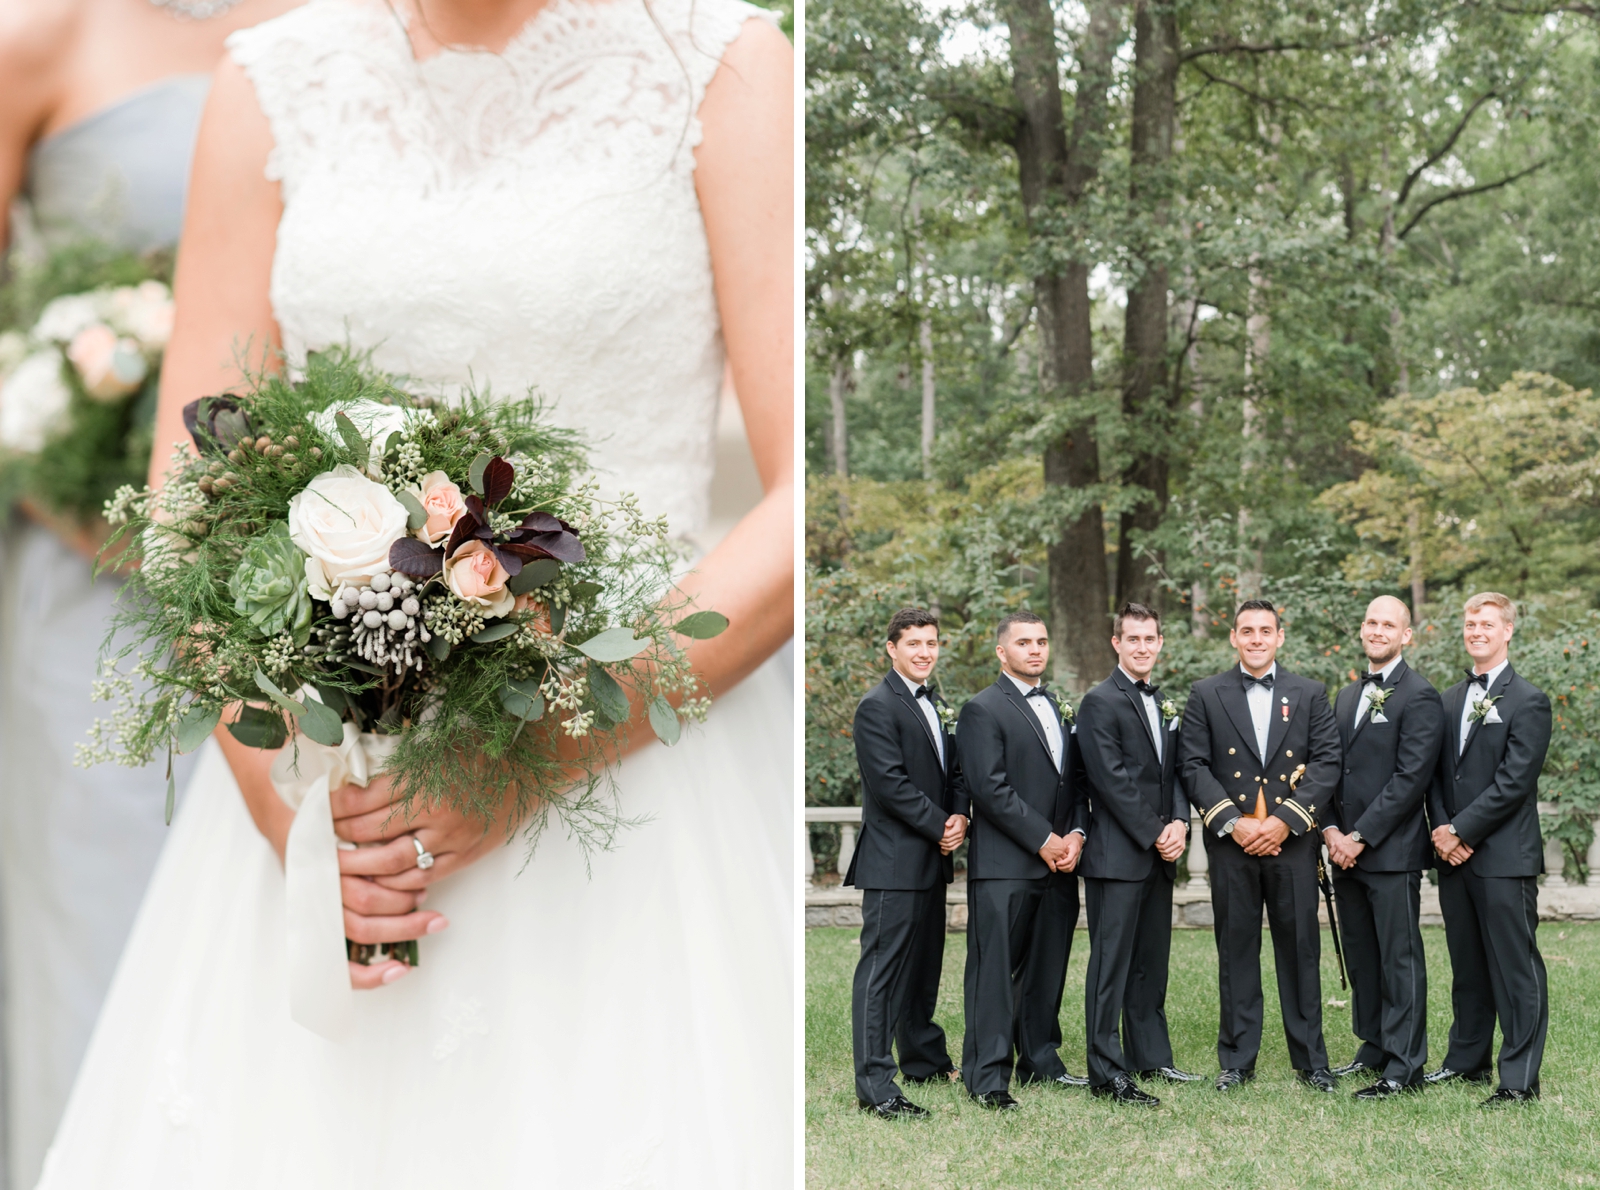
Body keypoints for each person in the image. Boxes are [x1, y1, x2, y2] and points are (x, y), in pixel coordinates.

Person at [37, 1, 794, 1185]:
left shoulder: (726, 64)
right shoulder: (270, 82)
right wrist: (280, 796)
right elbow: (187, 489)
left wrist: (545, 748)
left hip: (634, 738)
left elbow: (807, 501)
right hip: (330, 758)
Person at [0, 4, 299, 1184]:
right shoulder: (42, 32)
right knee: (107, 952)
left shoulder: (381, 25)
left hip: (325, 596)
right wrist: (82, 481)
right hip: (100, 600)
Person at [1178, 598, 1341, 1093]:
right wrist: (1234, 822)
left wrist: (1286, 821)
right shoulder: (1205, 693)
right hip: (1233, 843)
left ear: (1279, 636)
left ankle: (1312, 1062)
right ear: (1233, 637)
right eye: (1246, 630)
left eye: (1264, 630)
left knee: (1300, 951)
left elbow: (1328, 761)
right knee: (1236, 950)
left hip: (1291, 843)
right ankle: (1237, 1060)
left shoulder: (1310, 693)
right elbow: (1193, 765)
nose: (1255, 638)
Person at [956, 610, 1088, 1110]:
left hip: (1059, 867)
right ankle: (987, 1077)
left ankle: (1040, 1060)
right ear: (1001, 652)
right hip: (1005, 866)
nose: (1035, 649)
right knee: (994, 973)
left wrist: (1074, 834)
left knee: (1046, 968)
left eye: (1041, 641)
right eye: (1024, 642)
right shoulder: (982, 710)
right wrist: (1044, 840)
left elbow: (1073, 782)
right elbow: (990, 789)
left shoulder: (1056, 706)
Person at [1425, 592, 1551, 1107]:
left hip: (1503, 858)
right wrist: (1441, 829)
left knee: (1514, 966)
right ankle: (1466, 1061)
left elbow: (1514, 781)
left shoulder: (1529, 700)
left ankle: (1519, 1079)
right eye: (1470, 623)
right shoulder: (1449, 698)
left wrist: (1462, 831)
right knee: (1468, 965)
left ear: (1508, 631)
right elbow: (1434, 776)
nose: (1476, 630)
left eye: (1486, 623)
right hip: (1454, 859)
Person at [846, 607, 968, 1119]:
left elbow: (955, 770)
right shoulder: (876, 707)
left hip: (931, 859)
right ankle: (876, 1086)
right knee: (882, 972)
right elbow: (891, 785)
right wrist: (942, 824)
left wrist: (960, 813)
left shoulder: (935, 703)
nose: (924, 652)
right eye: (914, 643)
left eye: (932, 643)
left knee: (923, 968)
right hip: (894, 861)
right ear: (891, 648)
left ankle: (923, 1058)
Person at [1075, 602, 1198, 1107]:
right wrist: (1156, 831)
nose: (1143, 647)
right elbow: (1111, 781)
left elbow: (1174, 774)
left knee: (1151, 961)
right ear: (1117, 644)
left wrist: (1179, 823)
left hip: (1157, 854)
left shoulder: (1162, 700)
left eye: (1150, 639)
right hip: (1116, 855)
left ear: (1159, 643)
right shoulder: (1099, 702)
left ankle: (1151, 1056)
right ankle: (1107, 1072)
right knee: (1111, 965)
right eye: (1133, 639)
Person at [1322, 595, 1444, 1098]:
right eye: (1371, 622)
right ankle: (1372, 1045)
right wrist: (1329, 830)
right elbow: (1329, 768)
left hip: (1389, 852)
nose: (1377, 630)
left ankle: (1404, 1064)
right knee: (1363, 954)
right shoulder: (1348, 696)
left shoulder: (1420, 695)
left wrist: (1359, 836)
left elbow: (1410, 779)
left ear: (1406, 635)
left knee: (1398, 957)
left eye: (1387, 624)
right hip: (1343, 850)